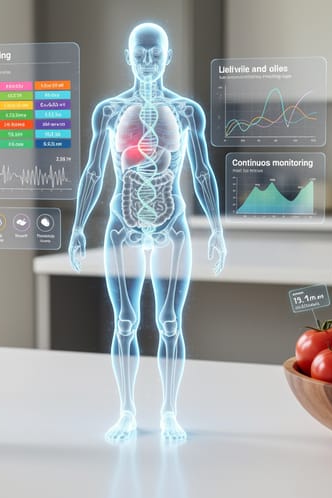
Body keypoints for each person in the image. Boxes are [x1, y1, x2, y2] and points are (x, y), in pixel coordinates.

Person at [68, 23, 227, 443]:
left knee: (170, 323)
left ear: (168, 57)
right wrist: (79, 227)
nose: (148, 62)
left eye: (156, 54)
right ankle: (126, 412)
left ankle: (169, 412)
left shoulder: (187, 112)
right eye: (140, 54)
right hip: (122, 225)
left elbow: (203, 173)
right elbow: (93, 173)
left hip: (171, 225)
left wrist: (216, 229)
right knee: (125, 322)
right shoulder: (109, 112)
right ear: (128, 57)